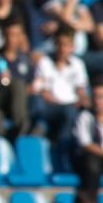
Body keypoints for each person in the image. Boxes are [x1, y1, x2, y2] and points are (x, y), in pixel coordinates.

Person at [32, 26, 89, 168]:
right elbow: (43, 92)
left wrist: (83, 100)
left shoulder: (77, 64)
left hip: (71, 107)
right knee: (69, 112)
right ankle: (62, 153)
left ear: (73, 47)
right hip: (51, 106)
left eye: (67, 45)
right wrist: (64, 104)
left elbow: (81, 89)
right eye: (60, 44)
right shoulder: (44, 63)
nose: (63, 49)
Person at [0, 20, 34, 139]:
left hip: (20, 102)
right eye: (9, 34)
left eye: (15, 35)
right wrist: (1, 81)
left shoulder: (25, 60)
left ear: (21, 37)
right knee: (16, 83)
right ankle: (18, 123)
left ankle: (21, 125)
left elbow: (30, 84)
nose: (11, 39)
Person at [73, 76, 103, 196]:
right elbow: (85, 144)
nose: (98, 101)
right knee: (91, 164)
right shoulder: (84, 117)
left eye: (102, 97)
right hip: (94, 160)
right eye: (95, 97)